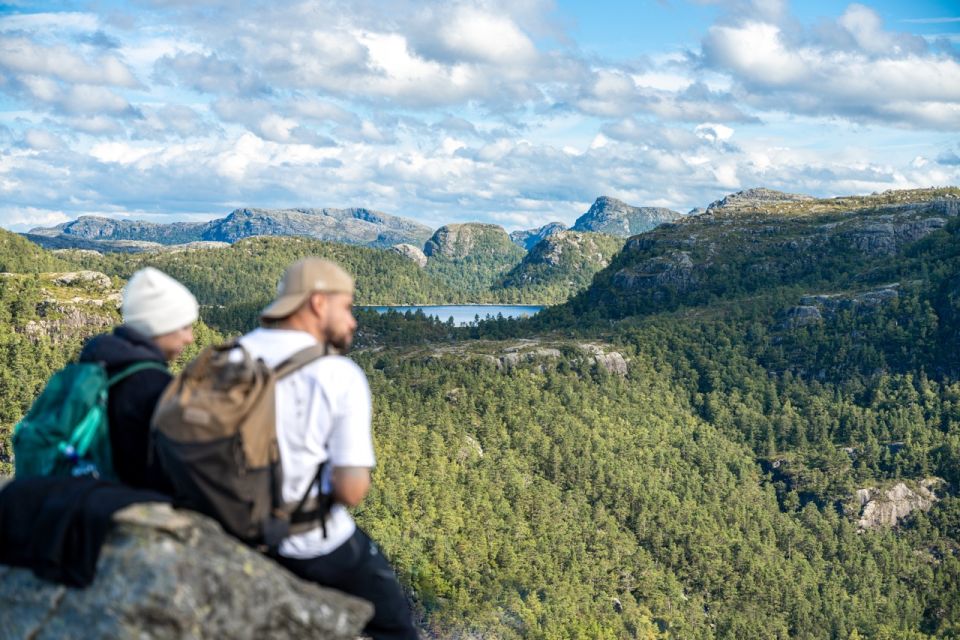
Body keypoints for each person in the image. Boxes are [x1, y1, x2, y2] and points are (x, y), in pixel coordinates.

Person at [238, 257, 417, 640]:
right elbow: (351, 491)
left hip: (235, 533)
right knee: (397, 627)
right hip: (308, 544)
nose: (353, 321)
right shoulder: (336, 373)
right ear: (318, 303)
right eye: (348, 307)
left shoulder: (227, 357)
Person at [79, 266, 198, 492]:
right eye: (184, 326)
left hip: (89, 494)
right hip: (129, 501)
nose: (190, 338)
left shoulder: (98, 362)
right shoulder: (152, 384)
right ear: (161, 325)